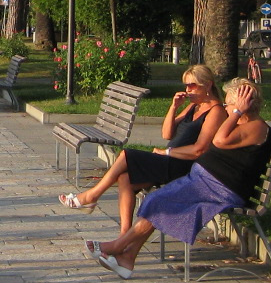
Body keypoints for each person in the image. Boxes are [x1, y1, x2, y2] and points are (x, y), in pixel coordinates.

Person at [89, 79, 271, 280]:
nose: (227, 109)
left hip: (220, 190)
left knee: (161, 202)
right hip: (203, 181)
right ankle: (127, 258)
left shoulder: (256, 127)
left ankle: (118, 246)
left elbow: (219, 141)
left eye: (230, 104)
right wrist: (235, 113)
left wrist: (236, 112)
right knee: (157, 199)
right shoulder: (240, 122)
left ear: (244, 104)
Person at [58, 64, 225, 232]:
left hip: (183, 166)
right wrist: (174, 107)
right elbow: (167, 134)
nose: (188, 90)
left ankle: (91, 196)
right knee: (125, 178)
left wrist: (166, 152)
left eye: (192, 85)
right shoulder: (193, 106)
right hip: (168, 162)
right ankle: (124, 235)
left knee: (126, 154)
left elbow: (199, 149)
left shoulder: (215, 111)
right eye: (186, 85)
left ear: (208, 85)